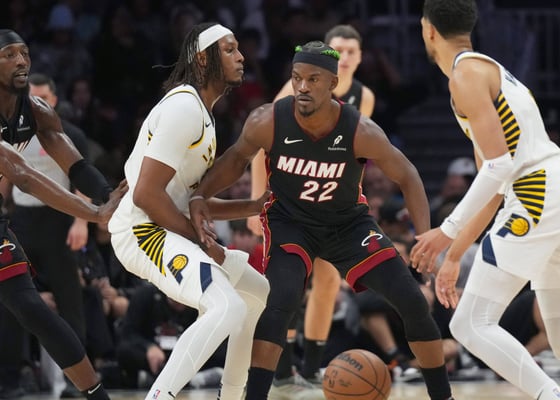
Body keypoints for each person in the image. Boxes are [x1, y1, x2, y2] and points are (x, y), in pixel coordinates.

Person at [190, 40, 455, 400]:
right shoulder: (268, 120)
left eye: (313, 79)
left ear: (333, 83)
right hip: (291, 223)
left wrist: (422, 236)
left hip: (348, 225)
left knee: (412, 300)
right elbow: (236, 160)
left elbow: (407, 175)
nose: (302, 86)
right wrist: (199, 196)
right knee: (279, 301)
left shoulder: (360, 130)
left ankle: (443, 396)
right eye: (297, 77)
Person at [107, 22, 270, 400]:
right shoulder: (183, 108)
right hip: (142, 230)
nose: (241, 56)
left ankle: (232, 395)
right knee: (226, 307)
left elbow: (186, 203)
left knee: (257, 292)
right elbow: (147, 195)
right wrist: (202, 242)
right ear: (202, 59)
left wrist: (252, 206)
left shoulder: (202, 113)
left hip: (165, 225)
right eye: (229, 49)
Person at [410, 1, 560, 399]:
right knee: (558, 327)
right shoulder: (489, 70)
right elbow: (491, 184)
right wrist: (455, 256)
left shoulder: (466, 75)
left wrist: (446, 231)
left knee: (470, 323)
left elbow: (498, 166)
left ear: (428, 30)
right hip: (549, 187)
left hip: (536, 193)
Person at [247, 24, 377, 396]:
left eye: (351, 51)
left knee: (329, 282)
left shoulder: (364, 96)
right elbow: (260, 146)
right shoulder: (297, 90)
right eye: (339, 50)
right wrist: (257, 203)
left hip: (330, 202)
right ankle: (282, 370)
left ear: (360, 57)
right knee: (289, 284)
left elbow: (356, 156)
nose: (345, 57)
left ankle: (310, 368)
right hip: (289, 200)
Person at [0, 29, 127, 400]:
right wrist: (94, 212)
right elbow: (23, 177)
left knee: (31, 307)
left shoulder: (36, 111)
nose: (21, 61)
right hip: (24, 211)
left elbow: (77, 165)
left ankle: (96, 395)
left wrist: (110, 198)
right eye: (9, 54)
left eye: (24, 53)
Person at [0, 72, 94, 399]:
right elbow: (6, 176)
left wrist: (82, 223)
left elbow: (81, 180)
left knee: (70, 302)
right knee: (12, 302)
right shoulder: (10, 132)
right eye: (30, 96)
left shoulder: (70, 134)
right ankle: (12, 378)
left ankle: (76, 382)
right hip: (21, 221)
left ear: (53, 100)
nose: (33, 102)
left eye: (41, 97)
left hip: (59, 222)